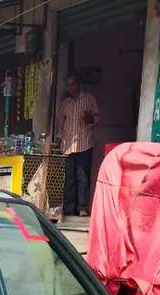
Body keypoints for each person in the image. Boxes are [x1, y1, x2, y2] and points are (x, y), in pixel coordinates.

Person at [59, 75, 100, 218]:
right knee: (69, 178)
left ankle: (82, 208)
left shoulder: (88, 99)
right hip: (68, 145)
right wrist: (59, 140)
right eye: (68, 84)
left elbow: (97, 117)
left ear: (78, 84)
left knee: (83, 177)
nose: (70, 87)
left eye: (73, 84)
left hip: (84, 144)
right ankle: (69, 209)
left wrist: (91, 119)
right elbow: (61, 123)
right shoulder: (65, 103)